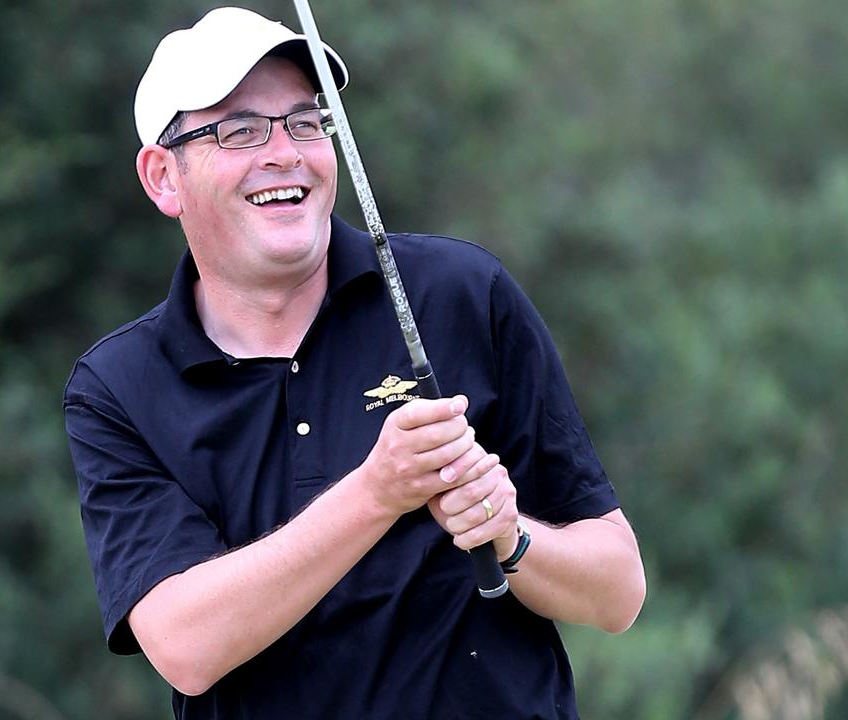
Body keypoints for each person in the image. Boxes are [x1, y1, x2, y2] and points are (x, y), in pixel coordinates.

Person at [64, 7, 646, 718]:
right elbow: (187, 646)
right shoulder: (119, 387)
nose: (284, 152)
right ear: (164, 178)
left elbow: (617, 590)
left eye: (307, 122)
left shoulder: (461, 294)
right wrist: (377, 492)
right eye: (240, 130)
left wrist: (509, 533)